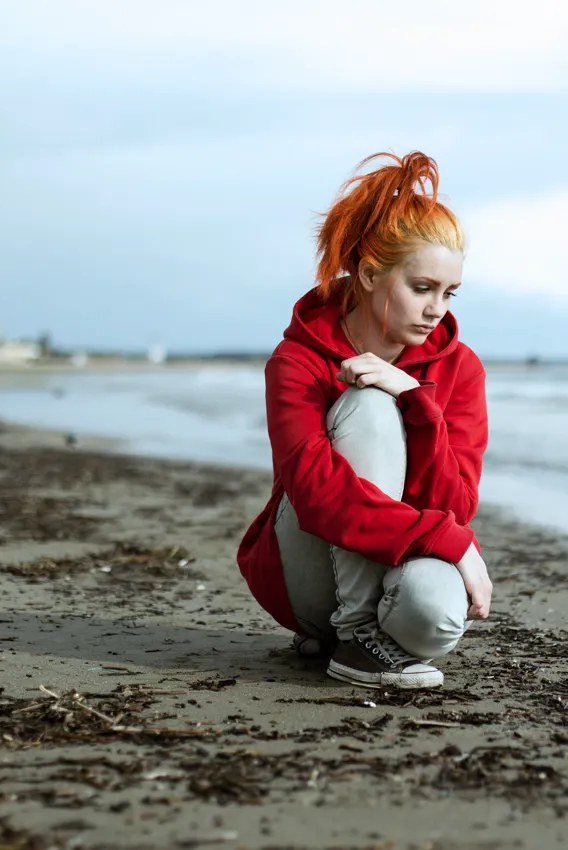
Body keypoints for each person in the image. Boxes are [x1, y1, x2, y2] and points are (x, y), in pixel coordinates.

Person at [237, 151, 492, 690]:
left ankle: (369, 643)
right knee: (370, 405)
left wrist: (419, 406)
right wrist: (451, 542)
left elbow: (456, 505)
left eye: (449, 293)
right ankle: (353, 634)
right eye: (422, 288)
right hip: (306, 576)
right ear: (372, 273)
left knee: (437, 618)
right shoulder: (298, 362)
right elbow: (316, 495)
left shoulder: (461, 369)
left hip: (401, 555)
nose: (437, 309)